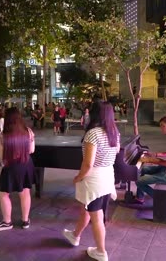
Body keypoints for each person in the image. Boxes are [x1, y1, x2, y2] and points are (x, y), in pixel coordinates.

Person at [62, 101, 120, 261]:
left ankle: (101, 252)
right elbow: (114, 153)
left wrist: (78, 177)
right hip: (107, 176)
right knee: (87, 209)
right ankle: (75, 235)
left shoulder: (93, 133)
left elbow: (88, 163)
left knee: (97, 217)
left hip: (94, 179)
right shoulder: (114, 132)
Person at [0, 108, 35, 231]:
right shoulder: (29, 132)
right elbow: (32, 150)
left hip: (11, 166)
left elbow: (1, 157)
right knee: (25, 192)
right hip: (26, 164)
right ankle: (25, 220)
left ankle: (7, 222)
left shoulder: (3, 136)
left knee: (3, 193)